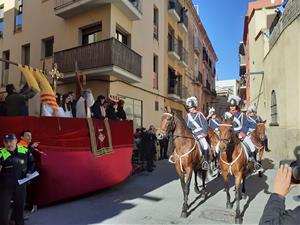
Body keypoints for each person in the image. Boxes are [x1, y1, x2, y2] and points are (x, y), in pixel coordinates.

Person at [0, 133, 35, 225]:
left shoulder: (24, 150)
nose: (9, 144)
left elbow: (32, 162)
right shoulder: (1, 153)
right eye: (6, 142)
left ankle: (16, 222)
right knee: (3, 214)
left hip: (21, 185)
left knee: (19, 210)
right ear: (3, 143)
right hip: (5, 188)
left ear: (16, 141)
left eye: (11, 141)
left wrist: (30, 172)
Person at [225, 95, 261, 170]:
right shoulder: (226, 115)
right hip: (229, 134)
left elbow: (245, 124)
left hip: (240, 133)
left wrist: (243, 132)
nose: (232, 107)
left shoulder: (241, 115)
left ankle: (254, 162)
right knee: (218, 148)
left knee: (251, 146)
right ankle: (219, 164)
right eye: (231, 106)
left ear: (236, 106)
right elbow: (224, 125)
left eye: (233, 106)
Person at [185, 96, 210, 170]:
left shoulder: (200, 115)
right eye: (189, 108)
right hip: (190, 134)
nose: (190, 109)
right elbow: (186, 125)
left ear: (195, 107)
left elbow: (205, 124)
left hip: (199, 134)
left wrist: (204, 132)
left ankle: (206, 162)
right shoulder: (187, 116)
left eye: (192, 107)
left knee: (205, 146)